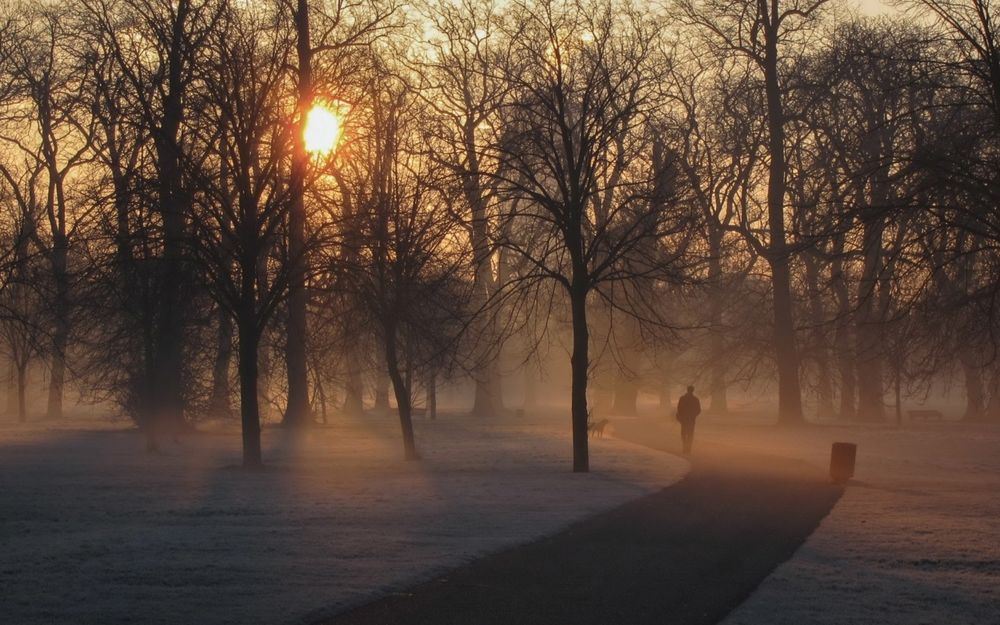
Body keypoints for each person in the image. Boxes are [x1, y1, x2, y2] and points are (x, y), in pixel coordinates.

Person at [675, 385, 701, 455]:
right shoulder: (695, 399)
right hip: (691, 419)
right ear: (693, 390)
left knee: (683, 433)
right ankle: (688, 448)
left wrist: (680, 416)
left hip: (684, 419)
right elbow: (698, 410)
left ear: (687, 390)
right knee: (690, 434)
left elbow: (679, 408)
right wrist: (694, 415)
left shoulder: (682, 398)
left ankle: (684, 447)